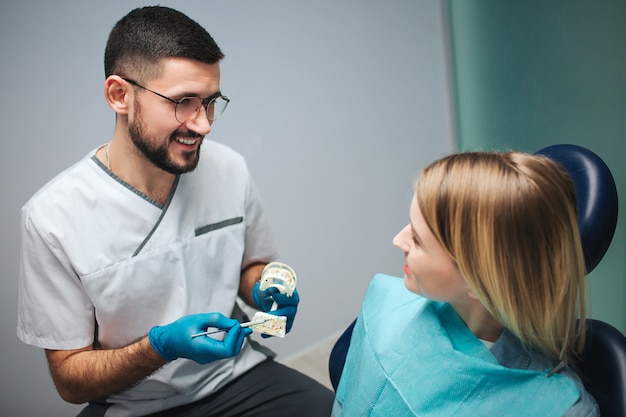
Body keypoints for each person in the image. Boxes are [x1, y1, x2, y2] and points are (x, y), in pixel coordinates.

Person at [17, 6, 333, 417]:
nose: (203, 125)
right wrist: (159, 346)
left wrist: (263, 288)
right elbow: (70, 380)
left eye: (210, 102)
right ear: (119, 95)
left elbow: (252, 263)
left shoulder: (229, 168)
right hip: (134, 403)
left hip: (235, 377)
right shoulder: (52, 218)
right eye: (183, 102)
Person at [332, 151, 600, 416]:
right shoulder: (386, 301)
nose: (397, 240)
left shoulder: (559, 409)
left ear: (478, 280)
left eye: (417, 239)